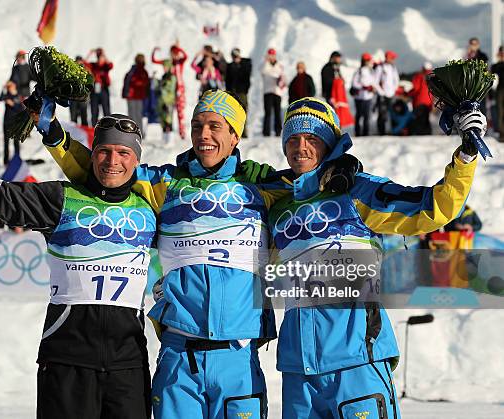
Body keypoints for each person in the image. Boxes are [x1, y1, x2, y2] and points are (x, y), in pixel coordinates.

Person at [43, 88, 361, 419]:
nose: (203, 135)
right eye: (196, 126)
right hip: (179, 356)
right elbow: (109, 171)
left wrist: (343, 163)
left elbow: (313, 178)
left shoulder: (263, 184)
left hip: (239, 358)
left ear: (235, 135)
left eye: (214, 126)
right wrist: (55, 137)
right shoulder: (166, 183)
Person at [0, 96, 157, 419]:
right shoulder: (59, 199)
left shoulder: (151, 210)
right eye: (104, 151)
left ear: (136, 160)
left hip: (129, 367)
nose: (113, 160)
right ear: (93, 154)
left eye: (124, 152)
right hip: (67, 362)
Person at [270, 97, 483, 419]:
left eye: (312, 138)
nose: (301, 146)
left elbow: (433, 206)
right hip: (299, 369)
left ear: (329, 144)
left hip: (357, 361)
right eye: (293, 138)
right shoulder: (276, 205)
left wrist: (466, 155)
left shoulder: (359, 192)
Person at [152, 42, 188, 139]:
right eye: (172, 53)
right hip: (170, 91)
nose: (174, 55)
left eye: (175, 53)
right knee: (168, 112)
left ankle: (182, 132)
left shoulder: (179, 62)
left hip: (179, 88)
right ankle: (169, 131)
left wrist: (179, 48)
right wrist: (154, 51)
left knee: (180, 111)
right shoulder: (168, 62)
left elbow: (186, 56)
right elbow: (154, 60)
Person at [224, 48, 251, 137]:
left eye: (236, 56)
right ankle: (235, 131)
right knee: (233, 112)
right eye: (233, 56)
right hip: (232, 93)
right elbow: (227, 80)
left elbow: (247, 76)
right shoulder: (230, 66)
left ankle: (244, 132)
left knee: (243, 112)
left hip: (242, 92)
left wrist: (245, 89)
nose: (235, 58)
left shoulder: (245, 64)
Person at [85, 48, 113, 125]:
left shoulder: (105, 66)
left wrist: (104, 55)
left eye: (102, 58)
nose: (101, 60)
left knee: (106, 110)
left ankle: (108, 126)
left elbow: (111, 65)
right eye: (99, 58)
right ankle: (94, 127)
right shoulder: (94, 65)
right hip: (95, 91)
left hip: (104, 89)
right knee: (94, 110)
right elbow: (84, 64)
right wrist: (90, 53)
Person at [122, 53, 149, 133]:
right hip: (135, 96)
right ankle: (137, 132)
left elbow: (129, 81)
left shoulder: (134, 70)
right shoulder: (141, 71)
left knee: (133, 115)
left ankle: (134, 131)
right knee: (137, 115)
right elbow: (143, 83)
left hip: (133, 96)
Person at [374, 50, 400, 135]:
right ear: (388, 58)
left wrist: (394, 89)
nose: (393, 60)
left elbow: (396, 80)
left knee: (393, 113)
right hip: (382, 95)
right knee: (382, 114)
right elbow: (375, 82)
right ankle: (381, 132)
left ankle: (394, 131)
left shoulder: (393, 68)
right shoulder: (380, 68)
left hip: (391, 94)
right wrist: (381, 92)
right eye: (392, 58)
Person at [351, 52, 377, 136]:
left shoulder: (371, 71)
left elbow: (374, 82)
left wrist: (372, 88)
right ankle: (358, 132)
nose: (370, 62)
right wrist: (364, 87)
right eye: (369, 60)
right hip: (359, 98)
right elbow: (354, 84)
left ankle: (366, 133)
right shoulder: (359, 71)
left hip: (368, 97)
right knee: (359, 115)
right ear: (365, 61)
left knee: (367, 116)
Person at [262, 48, 285, 136]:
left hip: (277, 92)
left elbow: (282, 76)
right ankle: (266, 131)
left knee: (277, 112)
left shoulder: (279, 65)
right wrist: (266, 61)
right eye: (270, 55)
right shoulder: (265, 64)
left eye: (273, 55)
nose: (271, 57)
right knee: (268, 112)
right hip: (268, 91)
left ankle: (278, 131)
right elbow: (262, 70)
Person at [0, 80, 23, 164]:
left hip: (15, 123)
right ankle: (6, 161)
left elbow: (21, 108)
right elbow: (0, 98)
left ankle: (17, 159)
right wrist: (4, 89)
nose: (9, 88)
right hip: (6, 122)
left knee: (16, 142)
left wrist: (13, 104)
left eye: (10, 87)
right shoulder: (7, 95)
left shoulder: (17, 96)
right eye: (8, 87)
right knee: (6, 142)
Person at [407, 62, 434, 135]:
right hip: (428, 102)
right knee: (426, 118)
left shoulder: (419, 76)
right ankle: (427, 133)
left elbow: (415, 88)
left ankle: (419, 133)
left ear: (422, 68)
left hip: (419, 101)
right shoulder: (433, 77)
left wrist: (408, 94)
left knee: (418, 119)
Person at [156, 60, 177, 144]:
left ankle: (170, 139)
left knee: (169, 119)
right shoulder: (164, 76)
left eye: (165, 66)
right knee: (163, 120)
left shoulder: (172, 77)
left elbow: (171, 89)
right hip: (162, 101)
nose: (164, 68)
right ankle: (164, 139)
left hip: (168, 101)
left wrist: (163, 87)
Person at [69, 56, 89, 126]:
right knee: (73, 118)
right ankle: (73, 133)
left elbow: (90, 83)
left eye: (80, 61)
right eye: (77, 61)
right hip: (73, 98)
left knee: (84, 117)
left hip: (83, 98)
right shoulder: (71, 70)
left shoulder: (86, 71)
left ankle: (85, 134)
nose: (79, 63)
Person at [491, 46, 504, 140]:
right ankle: (502, 133)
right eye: (501, 54)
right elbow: (492, 80)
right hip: (500, 91)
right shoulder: (495, 66)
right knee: (500, 112)